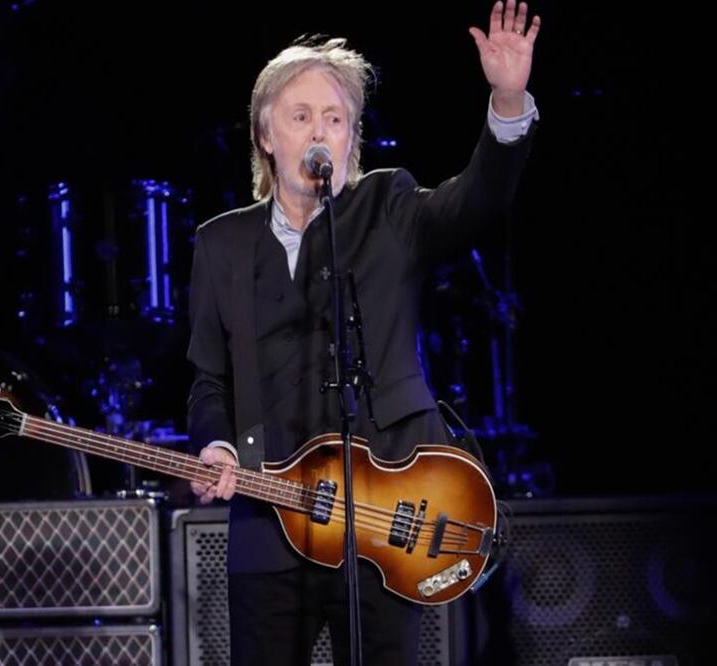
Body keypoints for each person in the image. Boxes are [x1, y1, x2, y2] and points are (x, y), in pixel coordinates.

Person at [187, 2, 541, 663]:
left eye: (335, 118)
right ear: (267, 134)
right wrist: (215, 445)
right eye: (301, 117)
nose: (319, 131)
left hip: (386, 514)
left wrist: (507, 97)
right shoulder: (221, 244)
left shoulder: (390, 207)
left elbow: (478, 199)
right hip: (270, 519)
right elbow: (209, 379)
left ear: (352, 138)